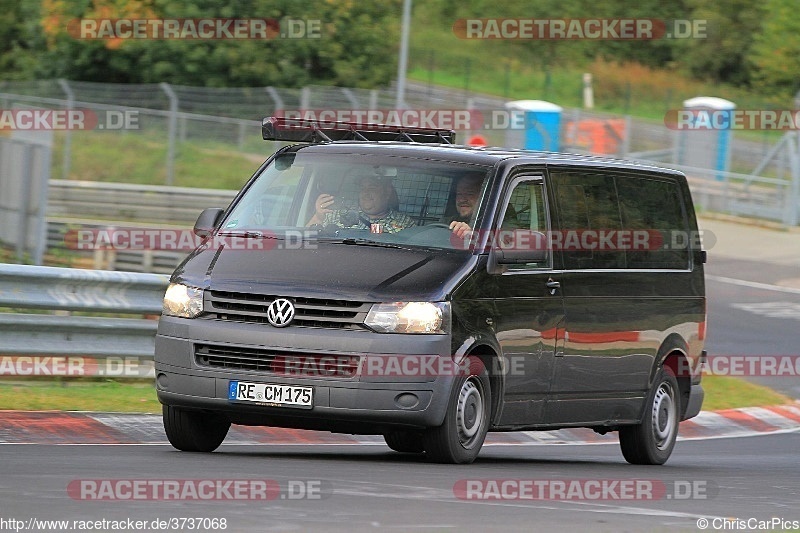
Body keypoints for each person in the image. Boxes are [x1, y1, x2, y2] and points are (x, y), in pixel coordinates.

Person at [309, 175, 415, 234]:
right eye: (362, 188)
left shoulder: (405, 224)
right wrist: (318, 217)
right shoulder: (338, 214)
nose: (365, 192)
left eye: (372, 188)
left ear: (387, 192)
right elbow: (304, 240)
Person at [448, 174, 484, 238]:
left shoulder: (496, 224)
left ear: (483, 197)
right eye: (459, 194)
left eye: (469, 194)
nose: (462, 199)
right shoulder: (447, 222)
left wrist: (471, 237)